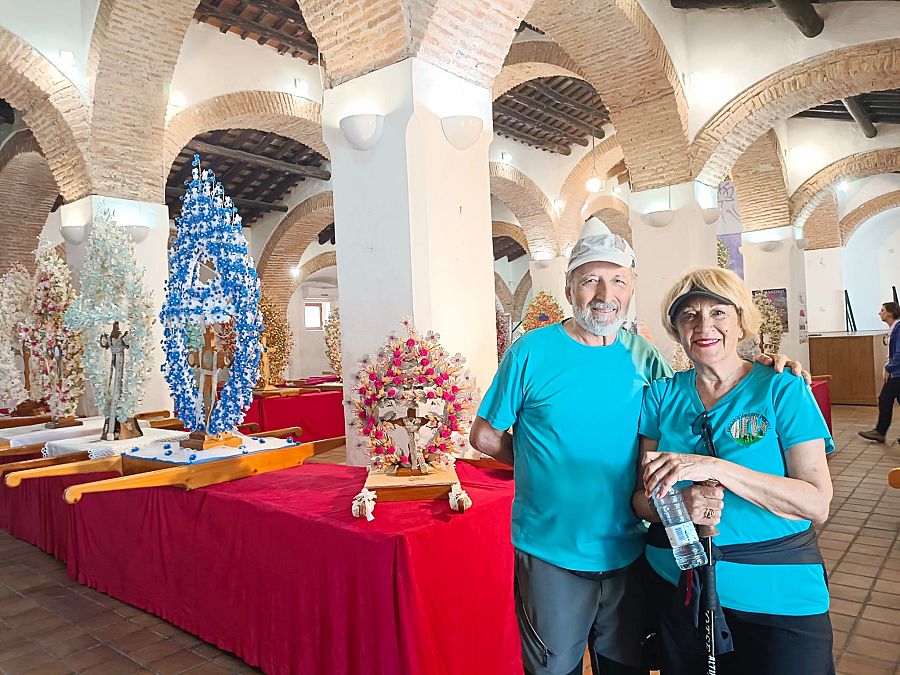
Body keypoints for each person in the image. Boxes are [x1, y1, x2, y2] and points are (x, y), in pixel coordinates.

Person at [469, 220, 804, 675]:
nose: (605, 292)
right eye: (590, 280)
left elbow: (689, 399)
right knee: (553, 668)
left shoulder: (644, 356)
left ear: (631, 291)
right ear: (570, 289)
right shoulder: (531, 351)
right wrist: (542, 463)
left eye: (618, 280)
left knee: (627, 665)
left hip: (632, 550)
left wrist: (759, 365)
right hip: (553, 550)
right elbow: (485, 436)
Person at [632, 267, 835, 675]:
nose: (704, 325)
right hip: (681, 588)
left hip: (779, 594)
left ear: (741, 321)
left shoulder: (781, 387)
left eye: (719, 313)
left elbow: (816, 503)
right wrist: (678, 505)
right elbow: (640, 499)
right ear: (676, 329)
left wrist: (716, 468)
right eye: (688, 315)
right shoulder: (661, 395)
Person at [858, 301, 900, 444]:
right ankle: (880, 431)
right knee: (887, 399)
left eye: (882, 310)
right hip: (896, 372)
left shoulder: (899, 329)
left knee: (884, 399)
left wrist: (889, 368)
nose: (880, 313)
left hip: (897, 373)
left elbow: (899, 353)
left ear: (890, 313)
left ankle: (880, 432)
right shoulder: (894, 329)